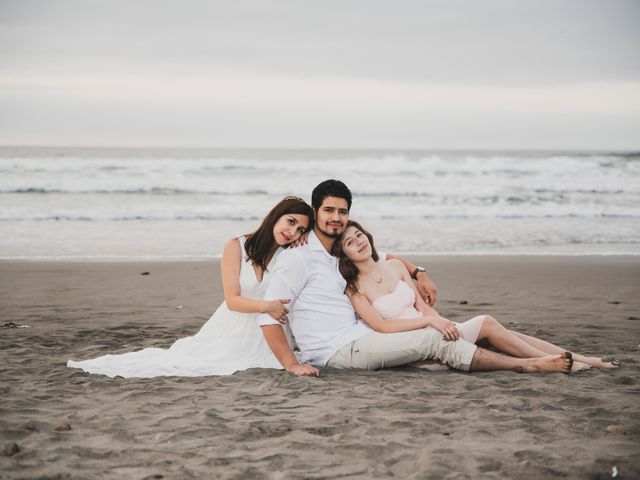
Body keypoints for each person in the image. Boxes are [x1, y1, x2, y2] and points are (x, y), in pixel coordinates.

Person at [258, 179, 577, 377]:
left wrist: (419, 272)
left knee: (469, 329)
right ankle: (526, 365)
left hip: (363, 337)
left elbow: (387, 258)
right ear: (316, 213)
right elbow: (267, 314)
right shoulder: (297, 258)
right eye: (329, 211)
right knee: (433, 338)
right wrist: (290, 364)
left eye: (342, 211)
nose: (336, 218)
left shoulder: (338, 255)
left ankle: (567, 358)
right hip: (338, 351)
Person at [67, 196, 313, 378]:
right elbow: (232, 300)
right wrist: (266, 306)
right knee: (198, 362)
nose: (292, 232)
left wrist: (307, 238)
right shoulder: (236, 245)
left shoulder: (290, 254)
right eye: (290, 222)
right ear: (276, 215)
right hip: (233, 327)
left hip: (270, 333)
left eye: (300, 229)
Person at [333, 220, 619, 371]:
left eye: (359, 235)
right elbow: (381, 327)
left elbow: (423, 307)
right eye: (349, 241)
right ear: (344, 253)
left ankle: (579, 358)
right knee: (488, 324)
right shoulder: (355, 289)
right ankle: (576, 360)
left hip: (437, 329)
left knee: (494, 331)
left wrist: (442, 322)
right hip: (416, 346)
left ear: (367, 237)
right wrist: (429, 324)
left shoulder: (395, 266)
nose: (357, 242)